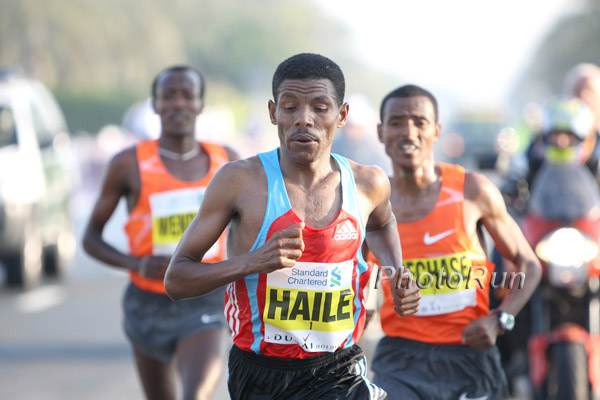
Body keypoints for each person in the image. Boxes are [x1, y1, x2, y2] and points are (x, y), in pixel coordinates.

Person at [164, 53, 421, 400]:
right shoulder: (239, 182)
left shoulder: (368, 184)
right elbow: (177, 280)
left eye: (319, 107)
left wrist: (396, 270)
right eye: (290, 108)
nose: (304, 119)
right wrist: (254, 261)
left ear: (341, 115)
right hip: (260, 372)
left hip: (339, 369)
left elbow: (381, 222)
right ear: (273, 113)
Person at [369, 84, 542, 400]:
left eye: (419, 122)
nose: (409, 131)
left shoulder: (472, 190)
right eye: (397, 122)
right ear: (381, 132)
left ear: (436, 131)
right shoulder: (372, 201)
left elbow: (529, 265)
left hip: (469, 355)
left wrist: (500, 319)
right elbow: (356, 280)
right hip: (400, 361)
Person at [82, 65, 238, 400]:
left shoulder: (227, 163)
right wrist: (134, 263)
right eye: (168, 96)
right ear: (155, 105)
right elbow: (90, 238)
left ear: (200, 104)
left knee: (196, 395)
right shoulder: (128, 164)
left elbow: (250, 230)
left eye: (187, 95)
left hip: (205, 298)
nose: (178, 104)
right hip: (148, 302)